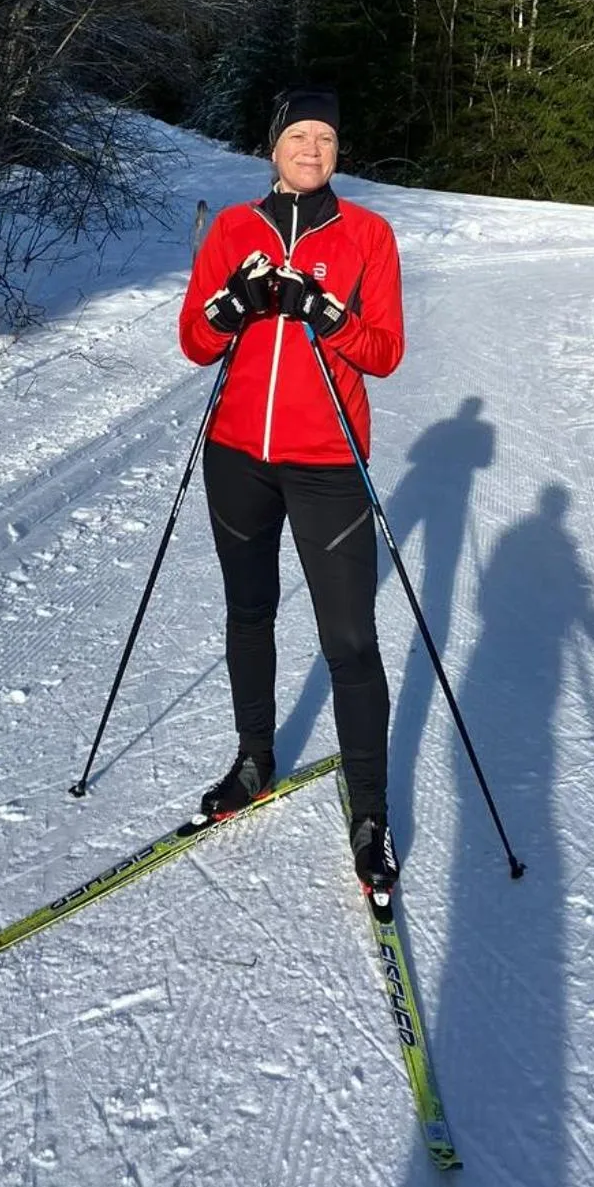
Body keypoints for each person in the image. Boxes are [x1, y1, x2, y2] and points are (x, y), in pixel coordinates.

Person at [178, 86, 405, 894]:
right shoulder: (235, 230)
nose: (313, 149)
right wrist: (231, 306)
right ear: (272, 147)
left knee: (349, 642)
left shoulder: (368, 235)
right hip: (237, 456)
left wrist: (329, 316)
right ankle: (253, 759)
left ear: (339, 152)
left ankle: (371, 811)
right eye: (298, 135)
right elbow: (195, 343)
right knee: (249, 612)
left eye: (327, 138)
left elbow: (384, 353)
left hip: (327, 464)